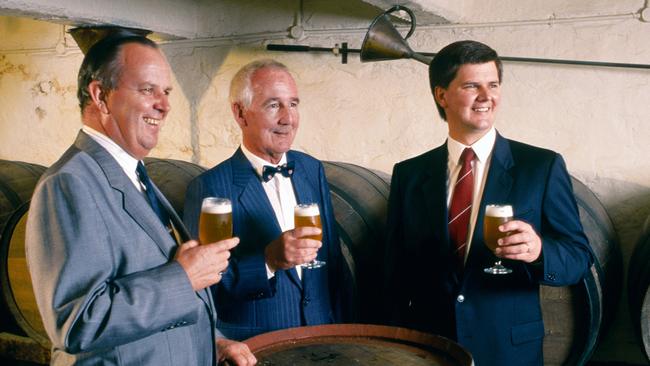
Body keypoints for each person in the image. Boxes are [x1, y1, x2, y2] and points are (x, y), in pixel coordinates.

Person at [25, 33, 256, 365]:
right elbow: (77, 323)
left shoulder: (134, 174)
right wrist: (184, 277)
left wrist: (213, 343)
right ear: (100, 96)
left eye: (166, 92)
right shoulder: (68, 184)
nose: (164, 105)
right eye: (148, 90)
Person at [383, 40, 594, 365]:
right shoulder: (409, 174)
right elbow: (395, 275)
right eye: (472, 85)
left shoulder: (540, 166)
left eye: (493, 85)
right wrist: (394, 348)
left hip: (509, 350)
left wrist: (539, 252)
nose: (487, 96)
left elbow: (579, 258)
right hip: (430, 348)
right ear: (442, 96)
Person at [184, 59, 353, 340]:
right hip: (258, 345)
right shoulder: (209, 187)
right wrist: (269, 260)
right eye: (273, 105)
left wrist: (345, 333)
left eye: (294, 104)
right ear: (240, 114)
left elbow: (332, 263)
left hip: (324, 338)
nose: (288, 118)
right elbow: (206, 288)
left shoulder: (312, 169)